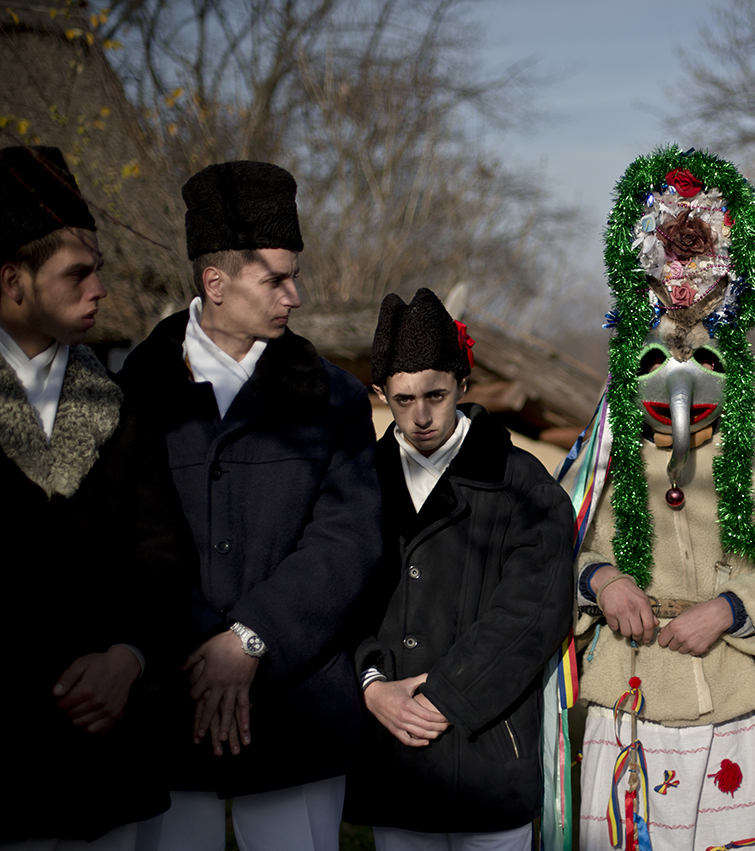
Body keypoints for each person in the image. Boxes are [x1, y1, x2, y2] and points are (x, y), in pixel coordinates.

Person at [119, 160, 382, 851]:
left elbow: (347, 540)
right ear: (216, 283)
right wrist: (204, 647)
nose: (294, 294)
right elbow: (126, 536)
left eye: (294, 275)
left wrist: (249, 639)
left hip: (298, 709)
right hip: (166, 707)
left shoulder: (336, 398)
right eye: (275, 278)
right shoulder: (131, 393)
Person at [566, 147, 755, 851]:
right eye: (659, 369)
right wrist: (599, 578)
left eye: (701, 368)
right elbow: (552, 547)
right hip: (624, 704)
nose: (680, 388)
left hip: (723, 706)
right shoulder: (599, 461)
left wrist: (730, 608)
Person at [1, 145, 193, 849]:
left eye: (99, 272)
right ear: (13, 281)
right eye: (77, 273)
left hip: (105, 767)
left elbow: (164, 555)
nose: (100, 290)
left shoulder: (119, 404)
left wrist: (131, 656)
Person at [344, 287, 574, 851]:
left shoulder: (524, 484)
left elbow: (533, 613)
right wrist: (371, 684)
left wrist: (447, 696)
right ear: (381, 395)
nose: (420, 416)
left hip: (490, 754)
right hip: (393, 753)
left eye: (436, 395)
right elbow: (336, 599)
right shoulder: (355, 483)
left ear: (464, 386)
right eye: (402, 399)